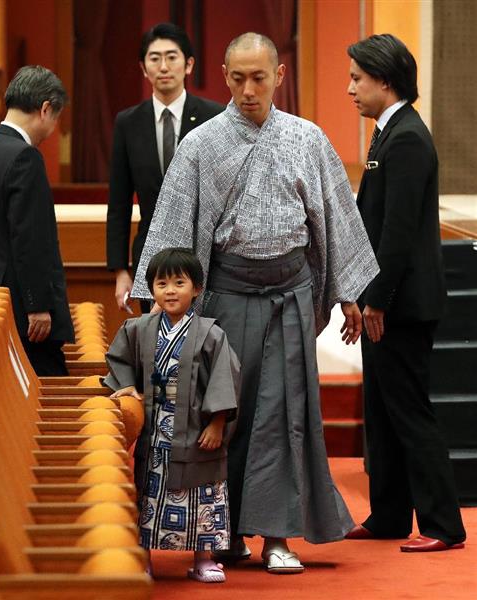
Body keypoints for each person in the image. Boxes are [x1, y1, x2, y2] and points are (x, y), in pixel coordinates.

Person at [130, 33, 379, 573]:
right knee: (225, 413)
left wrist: (349, 292)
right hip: (226, 296)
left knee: (286, 416)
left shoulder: (307, 138)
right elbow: (172, 220)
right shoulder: (200, 144)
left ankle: (278, 536)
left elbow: (336, 217)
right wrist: (159, 299)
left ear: (279, 76)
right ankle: (224, 533)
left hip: (290, 293)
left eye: (259, 78)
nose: (248, 89)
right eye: (238, 78)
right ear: (223, 75)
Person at [345, 34, 466, 552]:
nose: (350, 88)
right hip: (388, 297)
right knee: (382, 410)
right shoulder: (388, 134)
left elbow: (397, 232)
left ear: (385, 81)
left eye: (357, 78)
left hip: (401, 304)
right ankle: (390, 514)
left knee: (410, 411)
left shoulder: (409, 138)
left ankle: (443, 525)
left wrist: (375, 299)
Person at [104, 248, 240, 582]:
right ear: (151, 289)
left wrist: (217, 422)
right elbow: (119, 361)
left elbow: (227, 375)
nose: (170, 290)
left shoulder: (211, 333)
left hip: (196, 429)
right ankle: (144, 557)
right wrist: (129, 388)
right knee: (150, 493)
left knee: (202, 492)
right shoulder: (139, 328)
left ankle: (203, 558)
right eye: (161, 283)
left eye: (179, 282)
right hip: (156, 429)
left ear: (197, 288)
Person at [0, 65, 74, 376]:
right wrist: (38, 305)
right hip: (21, 313)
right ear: (46, 109)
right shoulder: (25, 157)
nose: (52, 130)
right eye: (56, 119)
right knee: (47, 397)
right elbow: (30, 240)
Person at [107, 23, 225, 313]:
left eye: (172, 57)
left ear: (188, 64)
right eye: (154, 58)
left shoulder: (215, 117)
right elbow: (119, 202)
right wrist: (121, 271)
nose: (163, 66)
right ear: (143, 67)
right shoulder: (128, 122)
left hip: (204, 257)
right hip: (152, 257)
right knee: (156, 351)